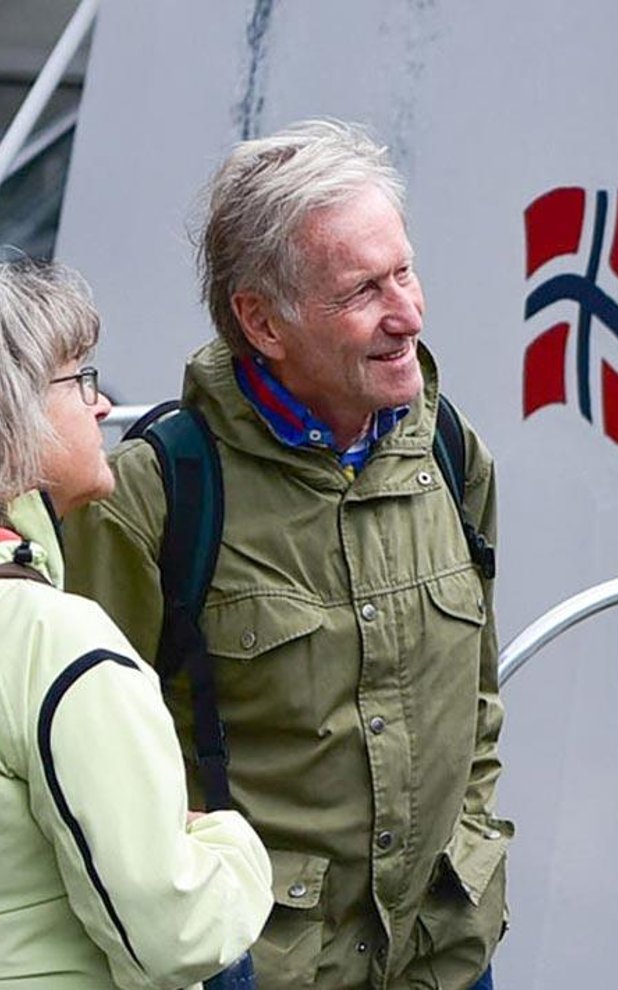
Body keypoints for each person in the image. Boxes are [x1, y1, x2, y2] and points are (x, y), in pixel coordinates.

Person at [64, 120, 511, 990]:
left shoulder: (453, 455)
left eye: (406, 271)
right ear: (262, 321)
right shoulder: (157, 496)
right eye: (362, 291)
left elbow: (480, 699)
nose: (408, 314)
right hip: (257, 970)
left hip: (444, 957)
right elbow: (96, 779)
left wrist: (476, 845)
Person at [0, 257, 272, 989]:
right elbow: (174, 935)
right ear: (12, 414)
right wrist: (230, 842)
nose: (100, 405)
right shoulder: (58, 644)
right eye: (77, 376)